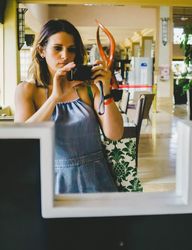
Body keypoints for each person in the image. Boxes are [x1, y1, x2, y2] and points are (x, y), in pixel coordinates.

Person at [14, 19, 124, 193]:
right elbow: (22, 140)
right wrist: (54, 98)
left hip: (95, 178)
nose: (65, 56)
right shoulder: (27, 90)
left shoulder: (88, 89)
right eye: (57, 48)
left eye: (71, 49)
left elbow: (115, 134)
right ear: (42, 50)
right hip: (50, 180)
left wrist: (106, 90)